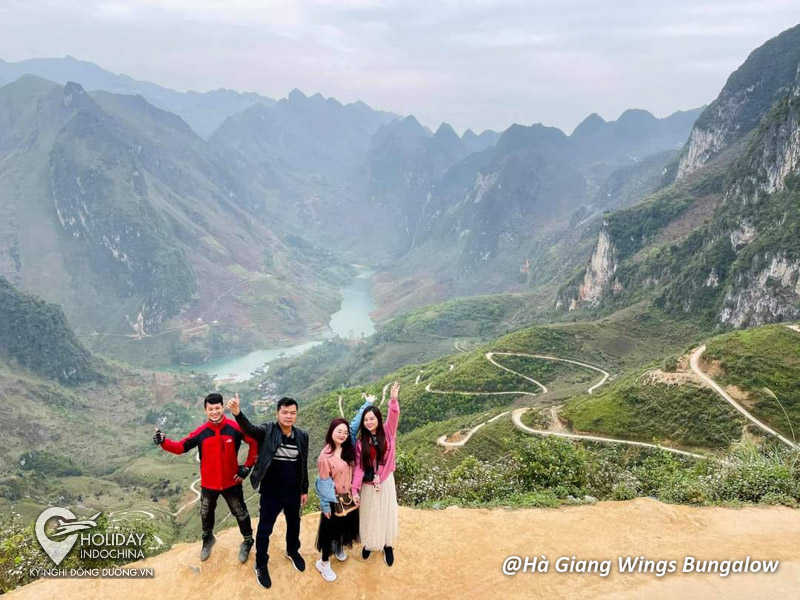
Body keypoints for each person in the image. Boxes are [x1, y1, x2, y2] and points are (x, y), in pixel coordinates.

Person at [153, 392, 258, 563]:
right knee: (206, 512)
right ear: (205, 410)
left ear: (222, 408)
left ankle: (248, 541)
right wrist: (163, 441)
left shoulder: (234, 428)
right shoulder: (200, 433)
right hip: (209, 484)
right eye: (211, 409)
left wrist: (246, 468)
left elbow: (254, 442)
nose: (214, 412)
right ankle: (207, 539)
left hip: (232, 481)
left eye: (217, 408)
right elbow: (180, 447)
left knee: (240, 512)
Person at [227, 393, 309, 590]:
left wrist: (303, 489)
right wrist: (238, 414)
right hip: (271, 491)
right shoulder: (268, 430)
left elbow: (303, 465)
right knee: (265, 529)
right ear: (277, 413)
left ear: (296, 414)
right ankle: (261, 564)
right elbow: (250, 429)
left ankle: (292, 550)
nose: (288, 416)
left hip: (292, 490)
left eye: (292, 413)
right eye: (285, 412)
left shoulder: (302, 436)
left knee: (294, 523)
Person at [350, 381, 400, 567]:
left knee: (386, 512)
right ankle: (370, 543)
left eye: (372, 418)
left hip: (385, 481)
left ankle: (387, 545)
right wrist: (355, 489)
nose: (369, 422)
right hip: (368, 485)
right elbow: (359, 468)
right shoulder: (360, 442)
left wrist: (393, 400)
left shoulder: (387, 432)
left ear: (378, 419)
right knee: (370, 513)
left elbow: (394, 416)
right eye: (366, 419)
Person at [314, 418, 360, 582]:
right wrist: (326, 506)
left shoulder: (348, 449)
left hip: (347, 497)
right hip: (333, 500)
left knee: (343, 527)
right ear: (331, 432)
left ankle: (339, 547)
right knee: (328, 533)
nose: (342, 435)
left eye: (345, 432)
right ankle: (324, 563)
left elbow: (355, 424)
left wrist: (367, 404)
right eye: (339, 431)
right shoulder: (325, 456)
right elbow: (324, 483)